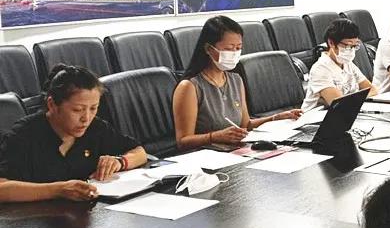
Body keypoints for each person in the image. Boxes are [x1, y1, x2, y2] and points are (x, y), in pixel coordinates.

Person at [0, 64, 146, 203]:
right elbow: (2, 188)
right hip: (36, 218)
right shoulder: (24, 134)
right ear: (52, 104)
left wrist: (119, 162)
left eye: (93, 108)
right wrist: (58, 190)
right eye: (77, 110)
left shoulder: (95, 127)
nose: (86, 118)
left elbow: (140, 152)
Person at [172, 16, 302, 150]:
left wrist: (276, 117)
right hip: (208, 154)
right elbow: (182, 141)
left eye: (238, 48)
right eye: (229, 48)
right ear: (208, 49)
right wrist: (214, 137)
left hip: (236, 151)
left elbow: (245, 124)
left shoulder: (236, 80)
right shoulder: (189, 87)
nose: (234, 53)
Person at [301, 19, 378, 111]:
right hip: (315, 117)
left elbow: (372, 90)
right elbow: (340, 105)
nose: (351, 51)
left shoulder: (348, 64)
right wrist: (358, 98)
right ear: (331, 43)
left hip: (344, 113)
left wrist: (355, 99)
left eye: (354, 46)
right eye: (348, 46)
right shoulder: (320, 69)